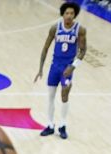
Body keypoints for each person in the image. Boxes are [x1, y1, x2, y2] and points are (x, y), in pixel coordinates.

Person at [35, 2, 87, 140]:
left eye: (72, 13)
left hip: (67, 68)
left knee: (64, 95)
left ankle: (63, 125)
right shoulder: (55, 28)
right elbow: (45, 48)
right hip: (54, 67)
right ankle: (50, 125)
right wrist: (40, 68)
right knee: (50, 96)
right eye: (67, 13)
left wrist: (73, 66)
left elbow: (83, 50)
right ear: (62, 14)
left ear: (74, 15)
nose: (69, 16)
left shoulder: (80, 29)